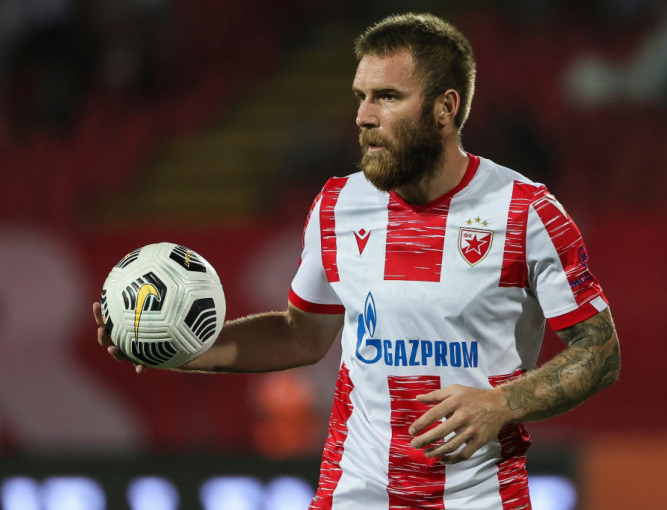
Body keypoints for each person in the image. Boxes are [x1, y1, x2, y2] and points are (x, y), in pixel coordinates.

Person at [93, 12, 620, 510]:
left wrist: (502, 404)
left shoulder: (526, 212)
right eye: (361, 97)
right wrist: (180, 347)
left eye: (387, 97)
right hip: (355, 493)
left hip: (479, 497)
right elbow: (299, 336)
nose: (364, 116)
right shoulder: (339, 204)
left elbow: (599, 352)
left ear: (446, 107)